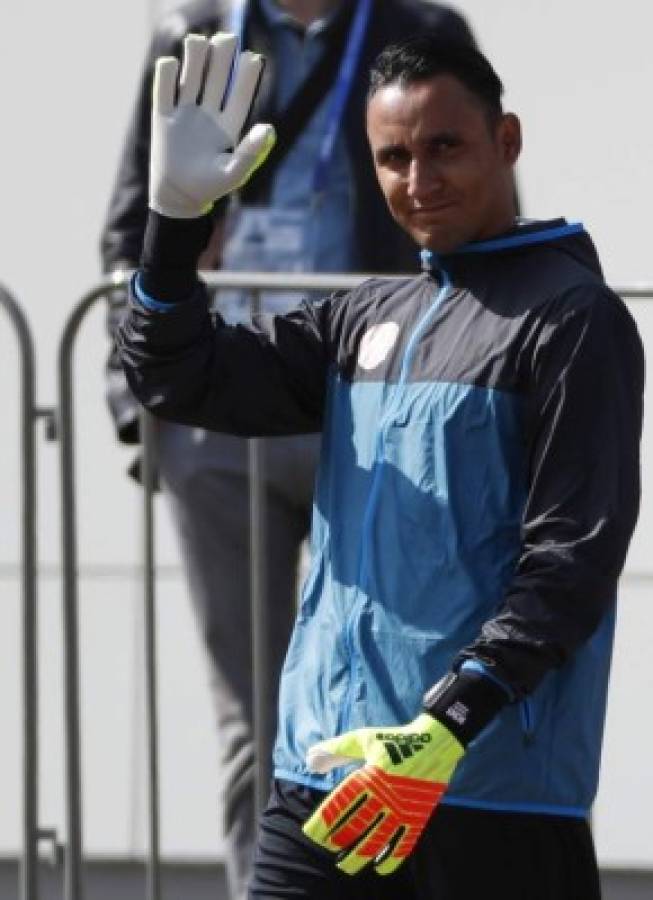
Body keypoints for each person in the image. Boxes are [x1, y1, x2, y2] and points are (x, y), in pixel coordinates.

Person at [117, 31, 644, 900]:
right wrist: (174, 227)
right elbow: (181, 376)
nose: (418, 180)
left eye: (444, 148)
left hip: (483, 796)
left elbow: (570, 562)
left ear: (505, 141)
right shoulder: (361, 317)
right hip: (320, 784)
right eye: (392, 156)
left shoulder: (572, 320)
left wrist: (442, 730)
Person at [100, 3, 476, 897]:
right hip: (221, 424)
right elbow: (132, 230)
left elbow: (473, 212)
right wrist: (141, 404)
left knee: (406, 703)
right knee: (254, 720)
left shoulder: (417, 25)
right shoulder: (195, 33)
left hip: (375, 412)